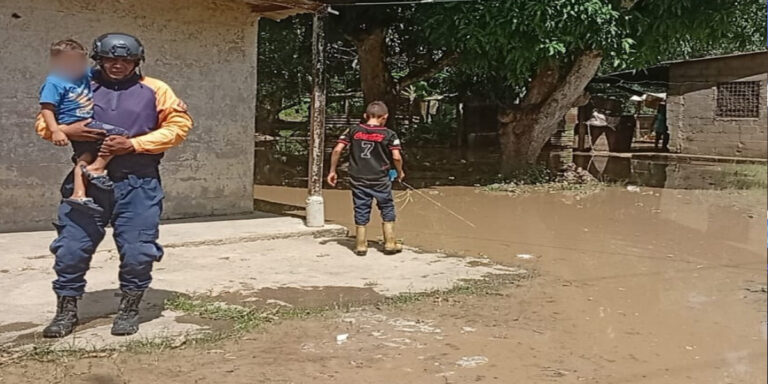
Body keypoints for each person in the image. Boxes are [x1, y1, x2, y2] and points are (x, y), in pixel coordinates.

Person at [35, 33, 193, 338]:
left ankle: (129, 308)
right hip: (87, 180)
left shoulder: (155, 89)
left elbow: (179, 126)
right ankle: (66, 310)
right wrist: (69, 129)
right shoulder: (77, 82)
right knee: (70, 248)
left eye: (126, 60)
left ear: (137, 61)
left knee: (138, 250)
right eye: (110, 59)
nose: (118, 65)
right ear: (98, 59)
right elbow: (44, 121)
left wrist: (133, 145)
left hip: (138, 181)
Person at [39, 39, 130, 214]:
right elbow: (47, 109)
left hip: (87, 121)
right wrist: (57, 131)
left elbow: (110, 72)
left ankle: (78, 193)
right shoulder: (54, 82)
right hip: (75, 123)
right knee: (120, 134)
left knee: (84, 157)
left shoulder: (85, 74)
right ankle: (97, 168)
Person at [327, 101, 405, 256]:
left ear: (365, 116)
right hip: (380, 177)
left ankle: (361, 244)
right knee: (386, 206)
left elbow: (337, 150)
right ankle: (390, 242)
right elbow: (396, 157)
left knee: (361, 206)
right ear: (385, 117)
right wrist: (400, 171)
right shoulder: (389, 134)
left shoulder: (352, 130)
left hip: (358, 177)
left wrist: (332, 171)